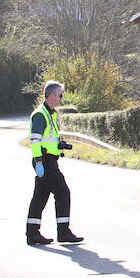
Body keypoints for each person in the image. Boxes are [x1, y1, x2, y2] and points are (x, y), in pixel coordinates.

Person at [26, 80, 83, 245]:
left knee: (40, 197)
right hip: (44, 161)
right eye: (60, 95)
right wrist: (38, 162)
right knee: (63, 192)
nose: (61, 98)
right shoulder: (40, 114)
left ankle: (32, 234)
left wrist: (60, 145)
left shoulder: (50, 113)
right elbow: (35, 141)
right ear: (51, 96)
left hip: (48, 160)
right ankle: (63, 232)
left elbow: (47, 139)